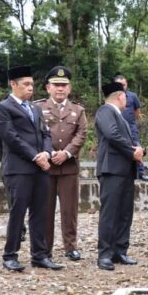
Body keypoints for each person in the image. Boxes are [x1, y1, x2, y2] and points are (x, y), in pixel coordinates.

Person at [0, 65, 64, 271]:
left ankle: (39, 255)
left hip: (40, 167)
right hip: (18, 169)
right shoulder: (3, 108)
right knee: (18, 212)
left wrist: (46, 153)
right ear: (13, 84)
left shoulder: (35, 108)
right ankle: (10, 255)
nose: (30, 88)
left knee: (40, 212)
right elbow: (11, 138)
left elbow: (46, 133)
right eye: (25, 84)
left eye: (32, 84)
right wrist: (35, 156)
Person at [36, 66, 87, 261]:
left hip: (68, 167)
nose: (60, 88)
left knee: (69, 210)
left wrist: (66, 153)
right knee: (45, 209)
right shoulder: (38, 108)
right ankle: (44, 248)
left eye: (64, 85)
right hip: (46, 167)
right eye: (56, 85)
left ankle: (71, 246)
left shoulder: (78, 110)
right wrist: (49, 153)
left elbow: (81, 134)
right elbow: (36, 133)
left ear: (69, 88)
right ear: (48, 87)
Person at [95, 81, 144, 271]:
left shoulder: (120, 116)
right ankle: (105, 254)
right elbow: (112, 135)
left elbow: (126, 138)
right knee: (110, 213)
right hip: (112, 170)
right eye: (125, 96)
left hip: (125, 170)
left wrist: (139, 150)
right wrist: (133, 152)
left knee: (125, 212)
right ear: (119, 96)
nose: (127, 100)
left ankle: (120, 250)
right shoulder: (105, 111)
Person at [114, 74, 148, 181]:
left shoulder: (133, 96)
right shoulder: (112, 97)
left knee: (137, 148)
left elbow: (137, 111)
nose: (121, 87)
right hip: (116, 129)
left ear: (127, 84)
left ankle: (141, 173)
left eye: (123, 85)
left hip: (131, 128)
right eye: (119, 85)